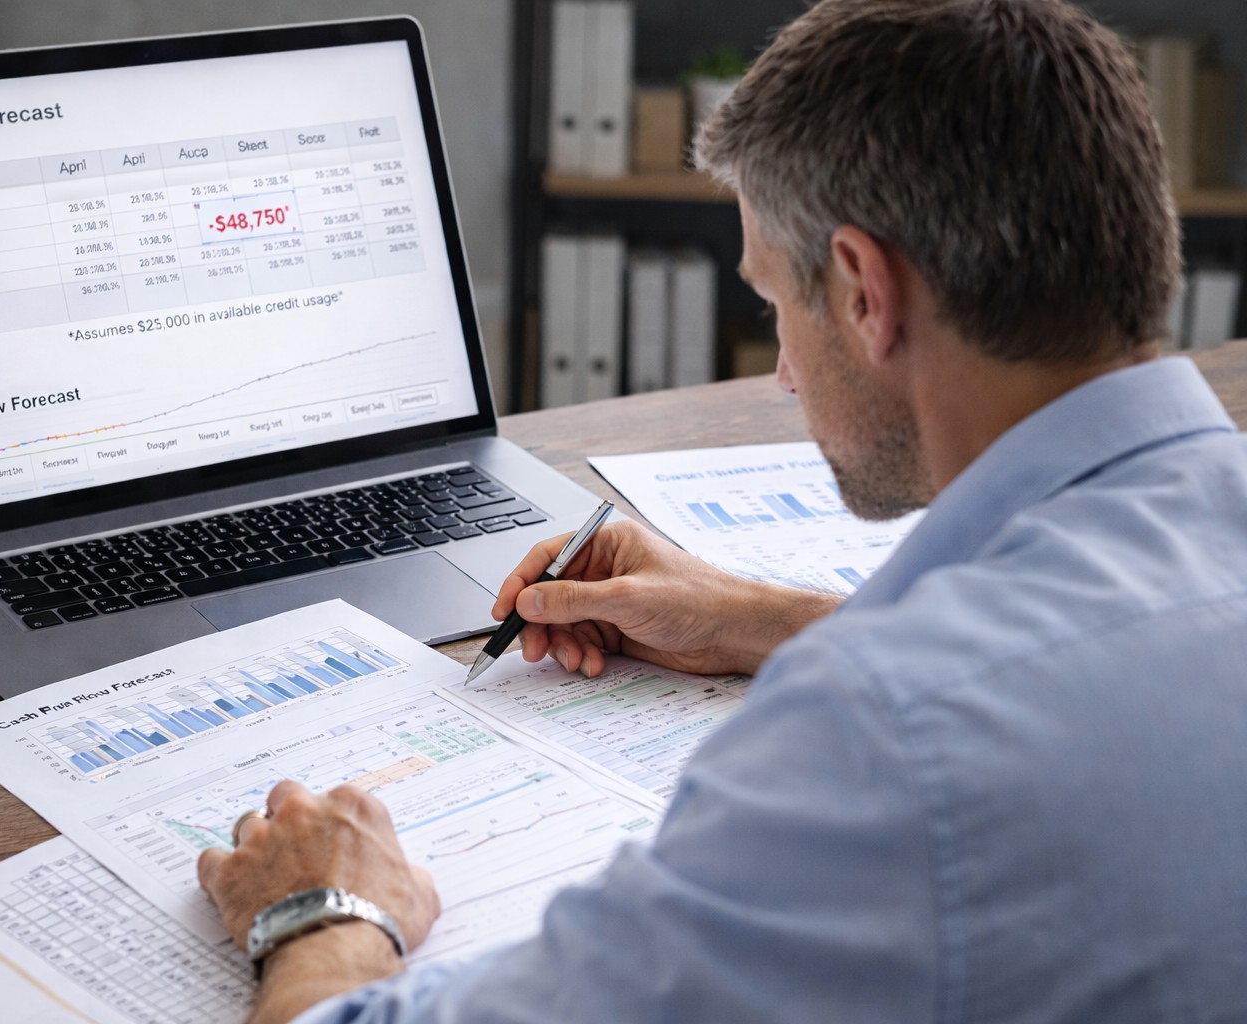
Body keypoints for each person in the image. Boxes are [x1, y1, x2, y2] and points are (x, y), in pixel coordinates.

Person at [198, 0, 1247, 1019]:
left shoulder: (879, 739)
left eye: (771, 301)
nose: (785, 370)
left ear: (864, 291)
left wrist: (320, 913)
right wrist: (760, 618)